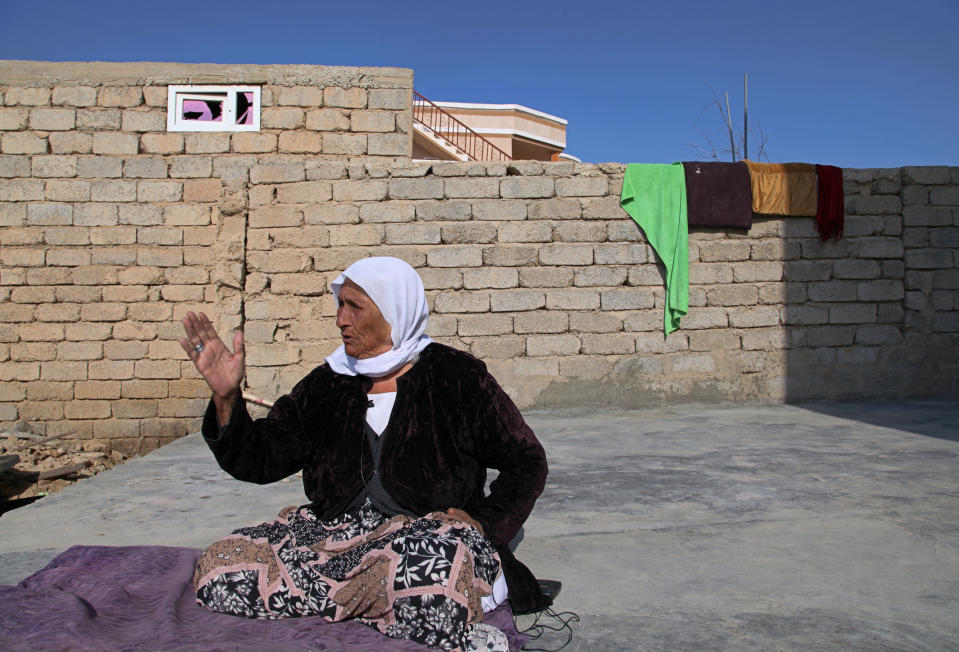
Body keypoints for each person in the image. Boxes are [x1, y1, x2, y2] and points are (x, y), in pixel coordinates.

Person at [178, 256, 549, 651]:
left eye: (354, 306)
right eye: (340, 305)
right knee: (220, 566)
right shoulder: (327, 383)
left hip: (423, 538)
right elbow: (260, 458)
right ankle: (371, 599)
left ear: (393, 311)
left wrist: (485, 523)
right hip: (332, 539)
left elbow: (526, 461)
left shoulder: (456, 377)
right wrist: (226, 397)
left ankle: (381, 594)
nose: (341, 319)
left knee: (434, 568)